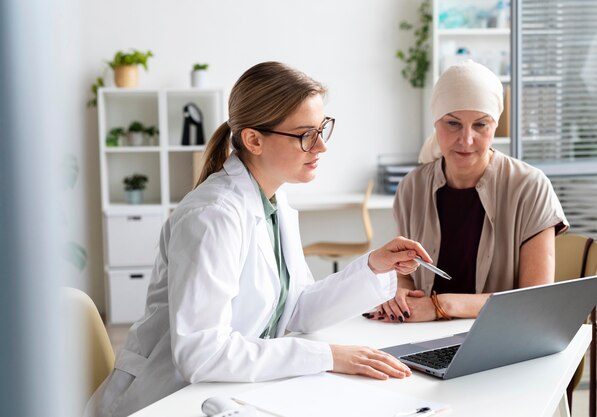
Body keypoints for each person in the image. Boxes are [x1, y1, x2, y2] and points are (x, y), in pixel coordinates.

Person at [85, 61, 433, 417]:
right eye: (305, 134)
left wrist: (374, 266)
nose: (321, 147)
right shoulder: (213, 215)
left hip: (231, 391)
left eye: (322, 129)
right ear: (253, 139)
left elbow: (296, 309)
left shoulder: (273, 199)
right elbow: (201, 353)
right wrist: (328, 357)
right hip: (171, 398)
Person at [364, 60, 569, 324]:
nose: (467, 139)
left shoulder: (530, 187)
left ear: (495, 126)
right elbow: (406, 274)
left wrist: (441, 304)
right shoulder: (412, 188)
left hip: (500, 336)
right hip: (421, 336)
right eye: (453, 123)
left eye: (481, 125)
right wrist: (400, 293)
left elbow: (534, 299)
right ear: (436, 122)